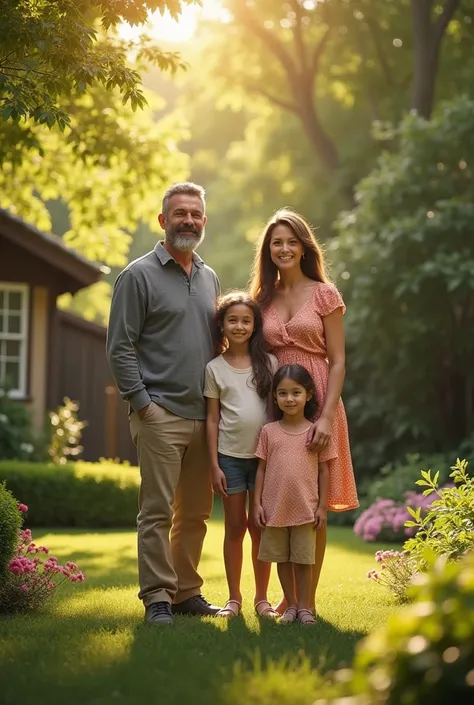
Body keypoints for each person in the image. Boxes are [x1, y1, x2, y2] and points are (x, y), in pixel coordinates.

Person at [106, 182, 222, 626]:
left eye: (195, 214)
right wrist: (143, 404)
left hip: (202, 416)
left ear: (204, 222)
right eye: (179, 213)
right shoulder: (137, 276)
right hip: (159, 414)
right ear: (163, 220)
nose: (188, 220)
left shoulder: (209, 276)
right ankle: (157, 596)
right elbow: (120, 347)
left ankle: (185, 592)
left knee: (194, 512)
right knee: (156, 512)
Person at [249, 208, 359, 613]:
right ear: (268, 250)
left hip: (319, 398)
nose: (283, 248)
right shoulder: (263, 299)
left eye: (291, 241)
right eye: (276, 242)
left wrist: (327, 415)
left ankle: (307, 600)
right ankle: (288, 597)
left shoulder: (324, 293)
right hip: (278, 399)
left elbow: (339, 360)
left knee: (315, 502)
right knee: (282, 493)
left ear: (303, 247)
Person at [204, 291, 279, 619]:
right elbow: (212, 419)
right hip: (229, 458)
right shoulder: (214, 368)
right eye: (232, 320)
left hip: (264, 460)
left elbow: (278, 413)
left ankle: (262, 599)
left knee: (259, 528)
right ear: (222, 324)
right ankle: (234, 598)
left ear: (255, 325)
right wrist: (213, 465)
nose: (239, 326)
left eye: (246, 320)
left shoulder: (271, 364)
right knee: (235, 527)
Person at [254, 364, 335, 625]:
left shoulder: (316, 433)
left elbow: (324, 471)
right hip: (275, 509)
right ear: (275, 397)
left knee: (303, 560)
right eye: (283, 393)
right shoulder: (269, 432)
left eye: (296, 393)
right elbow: (261, 469)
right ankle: (290, 605)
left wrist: (322, 507)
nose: (289, 399)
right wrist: (256, 503)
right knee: (282, 559)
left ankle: (304, 608)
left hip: (305, 509)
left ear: (309, 395)